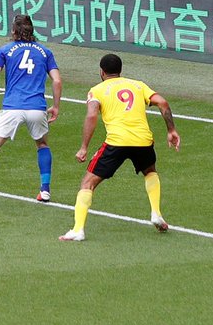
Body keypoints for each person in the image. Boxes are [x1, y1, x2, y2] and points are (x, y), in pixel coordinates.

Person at [60, 54, 180, 241]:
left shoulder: (97, 90)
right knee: (150, 172)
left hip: (116, 142)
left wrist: (84, 147)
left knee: (87, 183)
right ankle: (156, 213)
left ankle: (78, 230)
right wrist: (171, 130)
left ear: (102, 72)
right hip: (143, 141)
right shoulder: (138, 85)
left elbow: (91, 116)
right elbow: (163, 103)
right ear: (120, 70)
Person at [0, 15, 61, 206]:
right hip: (37, 108)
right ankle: (45, 190)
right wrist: (55, 106)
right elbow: (56, 80)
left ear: (14, 31)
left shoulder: (5, 50)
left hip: (13, 107)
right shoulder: (45, 52)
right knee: (42, 145)